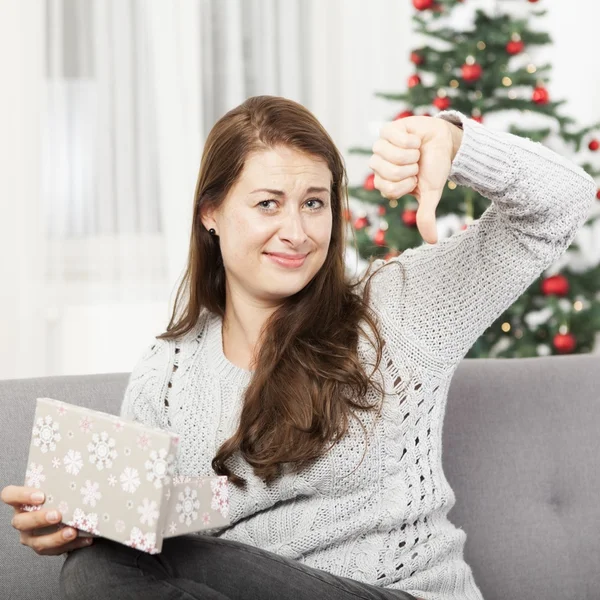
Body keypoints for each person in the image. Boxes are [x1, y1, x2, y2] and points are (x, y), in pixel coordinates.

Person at [2, 95, 595, 600]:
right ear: (211, 213)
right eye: (268, 204)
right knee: (97, 566)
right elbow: (157, 530)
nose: (297, 231)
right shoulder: (167, 373)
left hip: (400, 593)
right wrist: (88, 523)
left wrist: (454, 141)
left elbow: (563, 201)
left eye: (314, 202)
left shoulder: (398, 309)